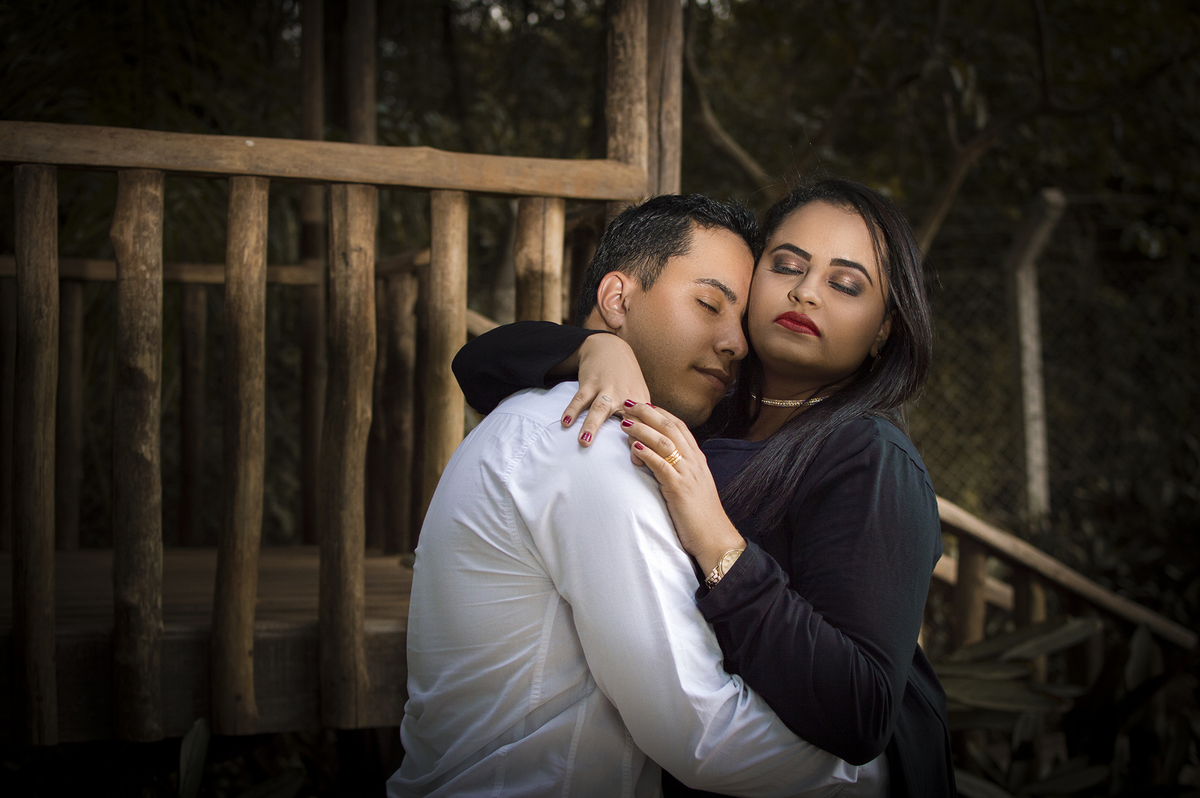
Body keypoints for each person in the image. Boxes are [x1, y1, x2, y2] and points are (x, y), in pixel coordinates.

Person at [452, 178, 956, 798]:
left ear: (883, 330)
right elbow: (478, 365)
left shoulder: (870, 456)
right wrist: (594, 347)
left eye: (845, 284)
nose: (806, 291)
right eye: (787, 266)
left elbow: (864, 712)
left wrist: (718, 540)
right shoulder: (709, 407)